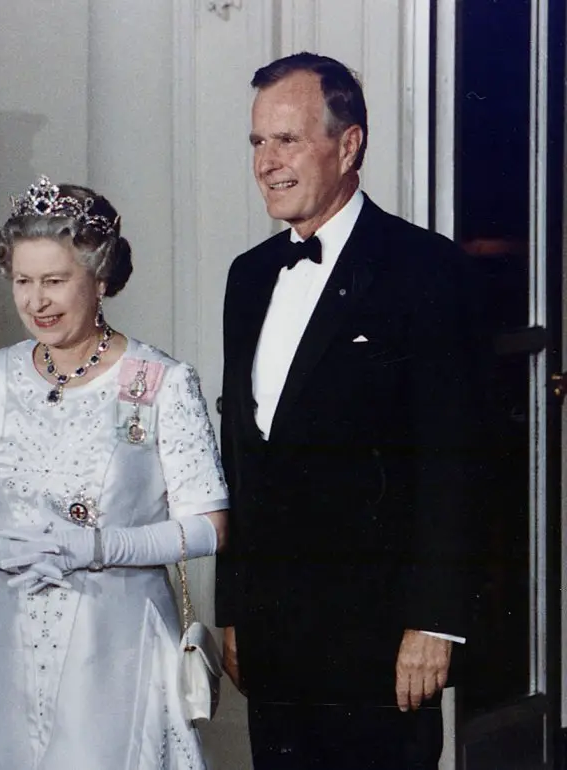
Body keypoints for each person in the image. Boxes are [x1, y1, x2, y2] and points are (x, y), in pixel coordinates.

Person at [217, 53, 486, 769]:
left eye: (287, 140)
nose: (267, 163)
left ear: (349, 143)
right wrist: (233, 607)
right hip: (272, 631)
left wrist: (437, 620)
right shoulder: (247, 278)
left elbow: (455, 459)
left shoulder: (427, 269)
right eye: (257, 143)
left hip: (381, 637)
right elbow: (241, 456)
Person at [0, 176, 229, 769]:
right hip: (9, 636)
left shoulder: (158, 380)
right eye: (22, 281)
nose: (36, 301)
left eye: (54, 281)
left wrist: (98, 545)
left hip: (116, 639)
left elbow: (209, 526)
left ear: (99, 280)